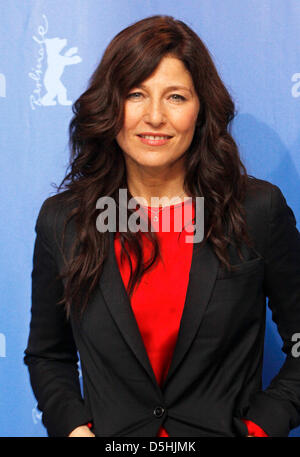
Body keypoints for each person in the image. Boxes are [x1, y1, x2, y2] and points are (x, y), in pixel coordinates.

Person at [24, 15, 300, 438]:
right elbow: (48, 355)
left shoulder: (257, 209)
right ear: (109, 106)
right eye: (135, 94)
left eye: (175, 96)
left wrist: (259, 429)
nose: (154, 116)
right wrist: (75, 431)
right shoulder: (64, 220)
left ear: (201, 108)